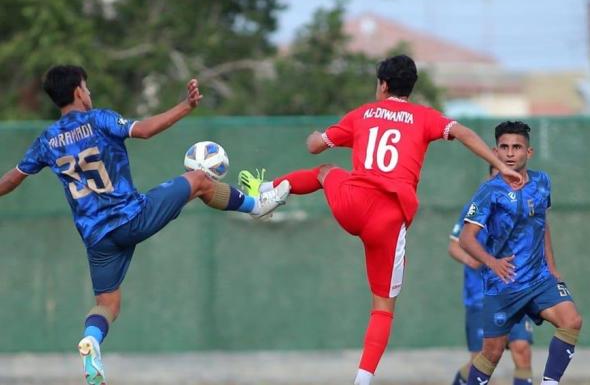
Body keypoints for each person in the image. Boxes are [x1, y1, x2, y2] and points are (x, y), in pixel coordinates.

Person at [237, 55, 523, 385]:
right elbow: (465, 133)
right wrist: (501, 166)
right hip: (389, 220)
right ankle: (362, 380)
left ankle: (266, 195)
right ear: (410, 88)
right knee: (383, 308)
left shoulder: (362, 115)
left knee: (325, 171)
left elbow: (314, 146)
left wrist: (320, 134)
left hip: (352, 204)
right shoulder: (424, 117)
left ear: (383, 85)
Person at [0, 65, 290, 385]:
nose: (90, 93)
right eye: (88, 87)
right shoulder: (99, 119)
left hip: (97, 238)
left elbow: (12, 179)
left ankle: (92, 342)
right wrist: (185, 106)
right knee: (199, 180)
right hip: (131, 218)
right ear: (79, 92)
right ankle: (258, 206)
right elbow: (146, 129)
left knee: (107, 304)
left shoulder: (46, 141)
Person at [459, 121, 582, 385]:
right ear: (495, 151)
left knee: (571, 320)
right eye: (504, 147)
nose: (510, 153)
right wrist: (492, 263)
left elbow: (541, 224)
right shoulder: (489, 191)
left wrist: (553, 267)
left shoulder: (542, 182)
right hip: (504, 285)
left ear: (529, 152)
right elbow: (465, 239)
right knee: (490, 354)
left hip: (539, 280)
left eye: (517, 147)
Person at [449, 165, 534, 385]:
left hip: (514, 294)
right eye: (498, 173)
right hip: (481, 296)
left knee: (522, 349)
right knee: (480, 360)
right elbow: (454, 246)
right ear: (489, 177)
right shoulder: (476, 207)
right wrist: (472, 260)